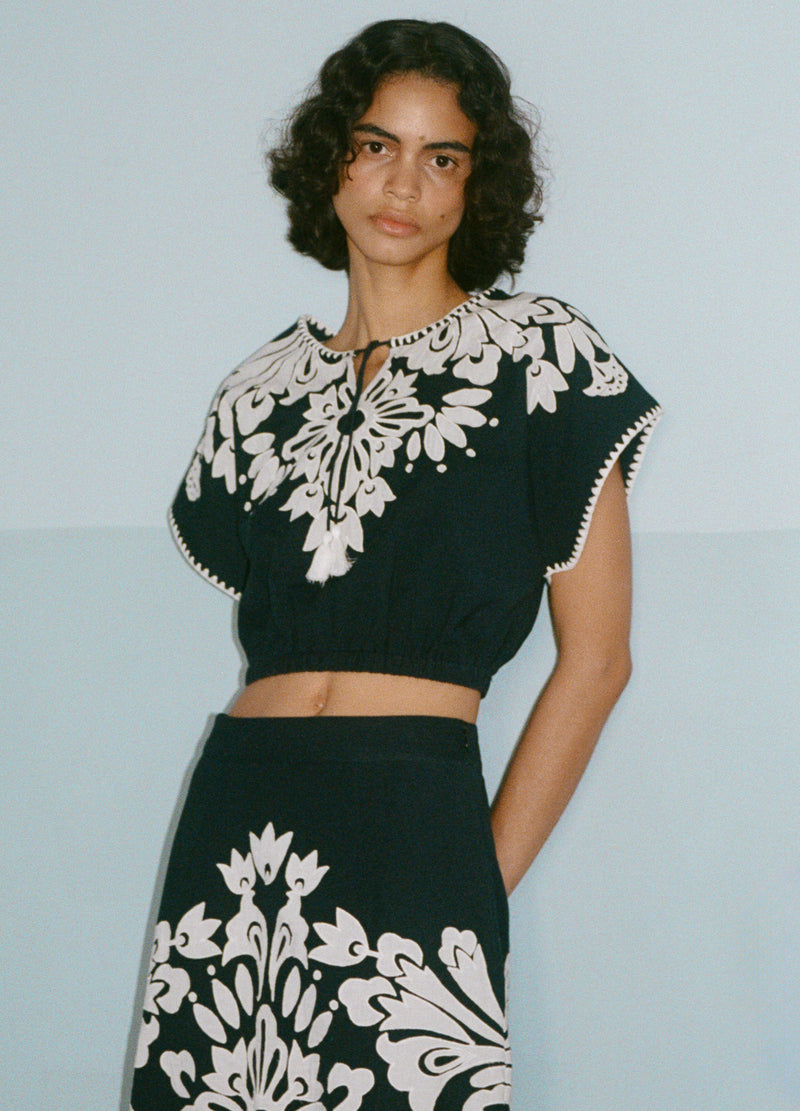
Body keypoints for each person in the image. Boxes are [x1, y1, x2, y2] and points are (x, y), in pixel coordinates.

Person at [129, 18, 661, 1111]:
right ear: (332, 158)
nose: (403, 183)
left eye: (442, 157)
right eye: (376, 145)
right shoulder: (256, 391)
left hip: (416, 817)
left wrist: (473, 878)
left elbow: (598, 660)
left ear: (477, 186)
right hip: (240, 820)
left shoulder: (542, 358)